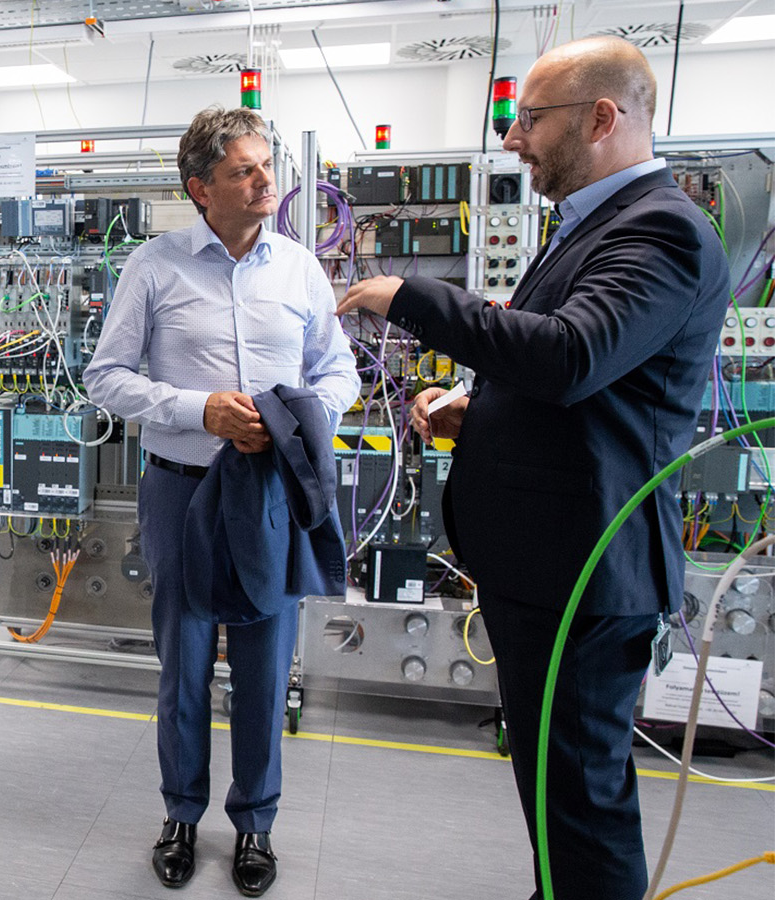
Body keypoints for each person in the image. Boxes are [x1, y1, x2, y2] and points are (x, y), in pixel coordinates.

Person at [338, 37, 727, 900]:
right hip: (548, 565)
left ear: (601, 118)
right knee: (558, 801)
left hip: (587, 573)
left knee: (582, 808)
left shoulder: (660, 228)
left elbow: (568, 355)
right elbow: (586, 392)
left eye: (530, 121)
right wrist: (480, 411)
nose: (514, 142)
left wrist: (407, 296)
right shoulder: (592, 226)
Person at [82, 106, 358, 897]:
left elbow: (338, 373)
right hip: (183, 492)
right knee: (186, 664)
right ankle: (179, 813)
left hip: (268, 491)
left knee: (268, 665)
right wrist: (199, 409)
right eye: (244, 170)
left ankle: (256, 825)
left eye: (266, 165)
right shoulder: (155, 266)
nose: (265, 180)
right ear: (201, 188)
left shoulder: (299, 268)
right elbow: (107, 378)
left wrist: (293, 418)